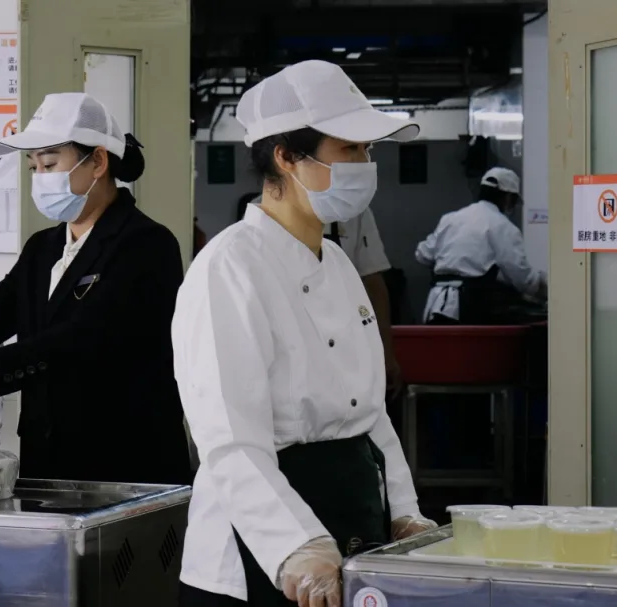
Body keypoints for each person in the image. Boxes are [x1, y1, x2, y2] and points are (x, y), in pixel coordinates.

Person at [173, 61, 436, 606]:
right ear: (286, 157)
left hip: (352, 524)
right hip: (259, 550)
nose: (365, 165)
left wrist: (404, 512)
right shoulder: (229, 268)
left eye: (368, 151)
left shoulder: (337, 262)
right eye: (349, 149)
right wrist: (298, 546)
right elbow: (229, 440)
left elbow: (371, 416)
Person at [0, 93, 192, 486]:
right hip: (46, 465)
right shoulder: (42, 248)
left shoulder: (146, 244)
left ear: (98, 162)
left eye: (49, 164)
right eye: (33, 167)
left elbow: (83, 337)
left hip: (124, 465)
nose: (39, 178)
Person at [240, 196, 403, 397]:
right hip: (287, 341)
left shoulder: (354, 211)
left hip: (346, 341)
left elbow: (373, 283)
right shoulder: (261, 213)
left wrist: (385, 352)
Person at [416, 167, 547, 325]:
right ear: (507, 198)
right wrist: (543, 286)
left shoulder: (450, 219)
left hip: (436, 304)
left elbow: (422, 255)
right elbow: (521, 276)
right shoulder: (503, 226)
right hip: (470, 305)